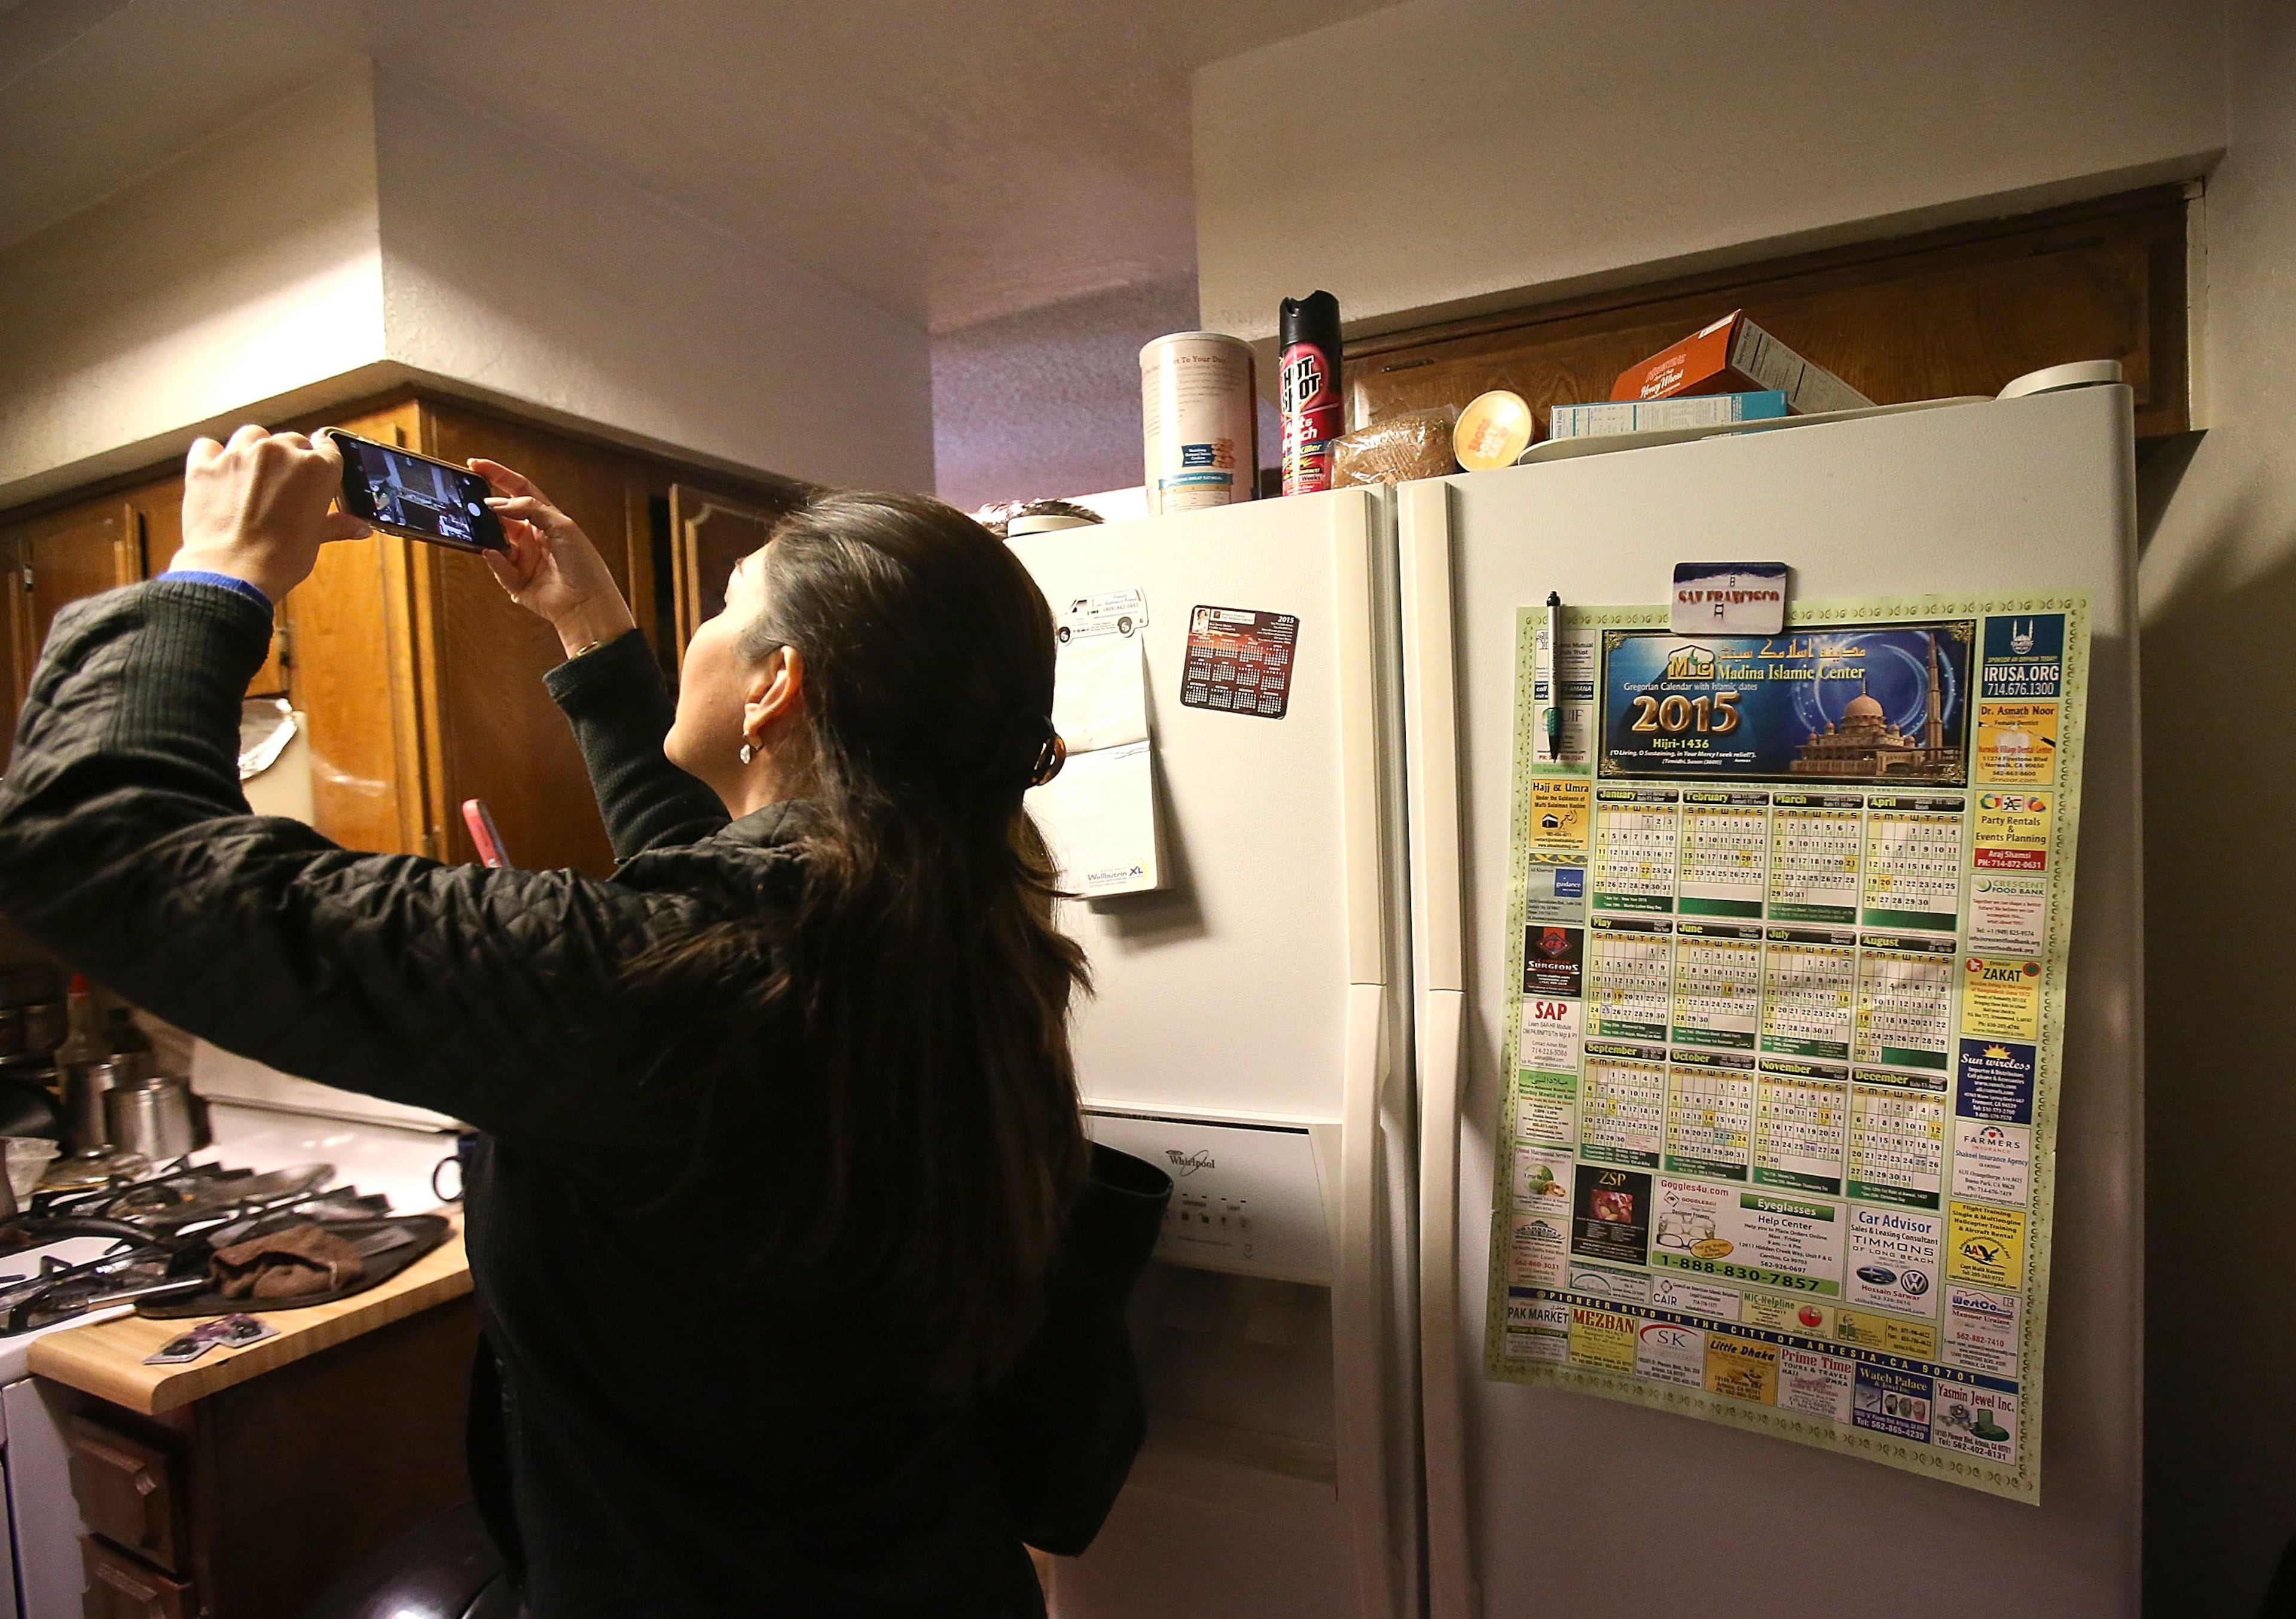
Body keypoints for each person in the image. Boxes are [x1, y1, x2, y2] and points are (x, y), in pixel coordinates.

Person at [0, 426, 1103, 1617]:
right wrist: (592, 630)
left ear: (778, 685)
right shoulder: (953, 931)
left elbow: (94, 842)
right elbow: (719, 900)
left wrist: (219, 570)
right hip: (935, 1573)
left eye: (725, 609)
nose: (702, 635)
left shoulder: (695, 981)